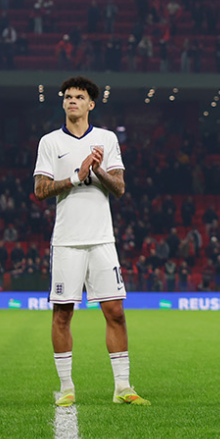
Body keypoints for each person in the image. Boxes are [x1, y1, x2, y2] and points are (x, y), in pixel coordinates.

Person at [33, 76, 149, 408]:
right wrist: (76, 176)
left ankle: (123, 386)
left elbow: (120, 188)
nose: (72, 101)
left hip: (101, 240)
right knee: (62, 314)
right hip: (67, 241)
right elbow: (40, 190)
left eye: (79, 97)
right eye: (68, 96)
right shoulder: (50, 142)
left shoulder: (106, 139)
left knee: (115, 312)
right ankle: (66, 387)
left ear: (91, 104)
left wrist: (97, 170)